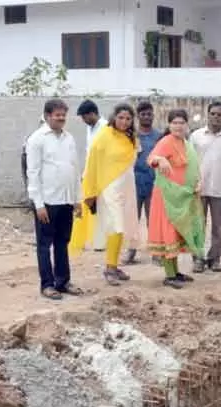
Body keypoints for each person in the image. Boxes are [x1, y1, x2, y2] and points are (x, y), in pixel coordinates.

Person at [73, 103, 141, 286]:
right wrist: (90, 191)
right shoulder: (104, 135)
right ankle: (109, 268)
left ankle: (114, 265)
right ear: (114, 117)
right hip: (108, 188)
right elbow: (92, 163)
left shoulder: (131, 137)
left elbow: (132, 161)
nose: (124, 122)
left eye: (128, 119)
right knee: (116, 227)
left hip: (127, 187)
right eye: (121, 118)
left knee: (123, 228)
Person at [25, 98, 83, 300]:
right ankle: (47, 285)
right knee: (44, 244)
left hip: (66, 200)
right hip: (47, 202)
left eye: (63, 115)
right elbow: (32, 173)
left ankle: (63, 281)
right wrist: (38, 204)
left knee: (62, 242)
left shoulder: (69, 138)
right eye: (57, 115)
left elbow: (75, 169)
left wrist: (77, 199)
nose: (61, 119)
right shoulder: (36, 139)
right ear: (47, 115)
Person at [146, 109, 205, 289]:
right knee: (168, 233)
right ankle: (169, 275)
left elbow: (193, 167)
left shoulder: (186, 143)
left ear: (187, 125)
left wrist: (197, 182)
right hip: (167, 197)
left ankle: (176, 271)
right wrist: (160, 160)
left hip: (182, 197)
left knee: (177, 233)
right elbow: (151, 159)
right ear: (169, 124)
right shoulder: (166, 141)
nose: (178, 126)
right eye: (175, 123)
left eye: (181, 122)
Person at [190, 100, 221, 273]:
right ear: (207, 115)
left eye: (220, 114)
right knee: (198, 225)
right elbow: (189, 162)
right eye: (213, 114)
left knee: (217, 227)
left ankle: (215, 259)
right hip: (198, 189)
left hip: (220, 188)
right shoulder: (196, 136)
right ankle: (198, 259)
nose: (216, 117)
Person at [126, 100, 160, 265]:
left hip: (153, 182)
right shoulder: (131, 136)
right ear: (138, 117)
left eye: (149, 114)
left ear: (153, 115)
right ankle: (131, 251)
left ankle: (156, 253)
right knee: (133, 218)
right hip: (134, 182)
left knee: (153, 219)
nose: (146, 117)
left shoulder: (159, 136)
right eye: (143, 114)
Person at [78, 99, 108, 252]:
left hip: (103, 174)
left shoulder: (105, 127)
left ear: (92, 114)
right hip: (90, 173)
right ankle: (85, 239)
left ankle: (101, 242)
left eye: (84, 117)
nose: (83, 121)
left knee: (101, 207)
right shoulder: (90, 128)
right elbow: (89, 152)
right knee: (88, 205)